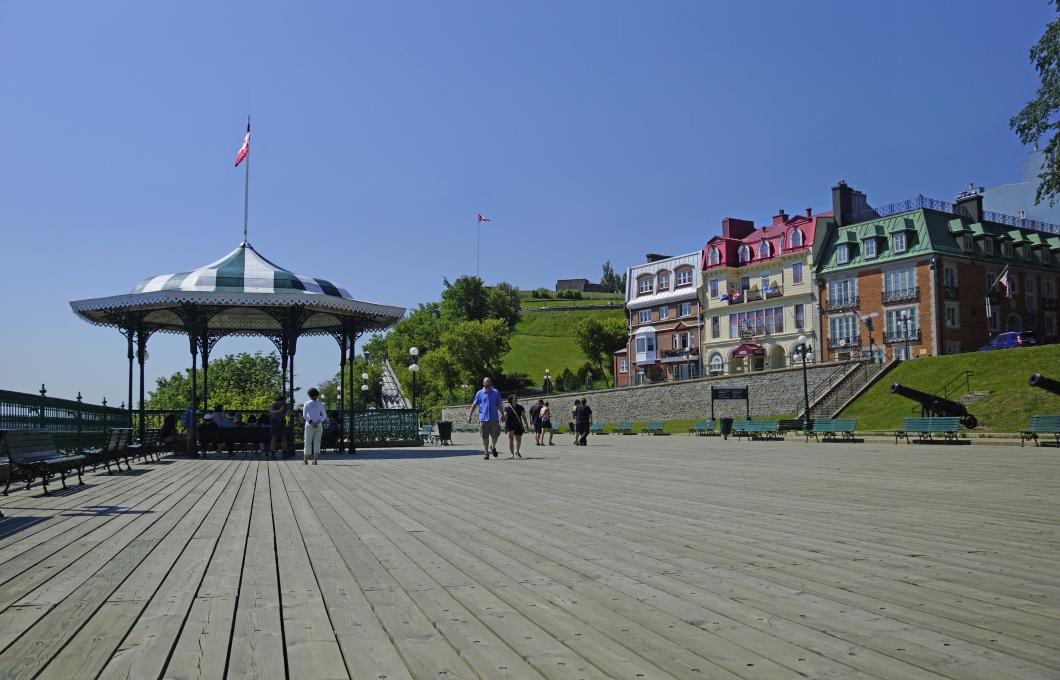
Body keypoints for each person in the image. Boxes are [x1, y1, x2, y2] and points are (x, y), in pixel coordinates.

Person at [468, 376, 502, 460]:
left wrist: (503, 415)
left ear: (491, 383)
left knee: (495, 435)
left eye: (489, 382)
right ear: (483, 383)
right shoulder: (479, 393)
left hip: (494, 418)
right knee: (485, 437)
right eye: (486, 382)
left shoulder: (496, 392)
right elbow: (474, 405)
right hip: (483, 418)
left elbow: (499, 405)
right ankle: (486, 453)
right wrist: (470, 416)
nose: (487, 383)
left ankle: (493, 447)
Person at [302, 387, 327, 465]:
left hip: (309, 425)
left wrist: (311, 422)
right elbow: (324, 415)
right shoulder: (320, 403)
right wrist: (318, 422)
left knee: (307, 442)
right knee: (317, 441)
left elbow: (304, 415)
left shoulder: (307, 403)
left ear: (309, 395)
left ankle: (305, 460)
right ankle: (315, 460)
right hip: (319, 425)